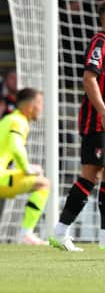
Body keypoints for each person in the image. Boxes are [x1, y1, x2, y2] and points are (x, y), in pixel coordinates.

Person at [49, 0, 105, 252]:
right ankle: (60, 232)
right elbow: (89, 79)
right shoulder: (100, 42)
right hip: (98, 122)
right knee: (91, 175)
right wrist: (104, 113)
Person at [0, 88, 49, 245]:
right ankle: (26, 234)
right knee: (43, 183)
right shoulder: (18, 121)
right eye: (39, 103)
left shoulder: (8, 119)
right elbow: (16, 146)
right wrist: (27, 168)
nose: (41, 108)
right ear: (30, 105)